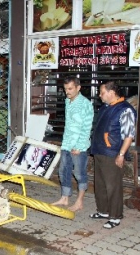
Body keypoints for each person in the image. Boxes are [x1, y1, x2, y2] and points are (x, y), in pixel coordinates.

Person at [89, 81, 136, 229]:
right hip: (100, 151)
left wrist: (121, 154)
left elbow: (129, 136)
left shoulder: (125, 110)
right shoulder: (106, 108)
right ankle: (103, 211)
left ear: (111, 92)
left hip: (113, 153)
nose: (100, 95)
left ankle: (115, 216)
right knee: (100, 185)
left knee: (113, 186)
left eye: (102, 92)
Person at [52, 76, 94, 212]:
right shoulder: (68, 101)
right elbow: (69, 125)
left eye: (70, 89)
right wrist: (65, 144)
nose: (67, 92)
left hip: (78, 147)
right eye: (65, 89)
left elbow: (86, 127)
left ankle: (79, 201)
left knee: (79, 173)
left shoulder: (85, 104)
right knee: (63, 171)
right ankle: (65, 198)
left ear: (78, 88)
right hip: (67, 143)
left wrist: (80, 146)